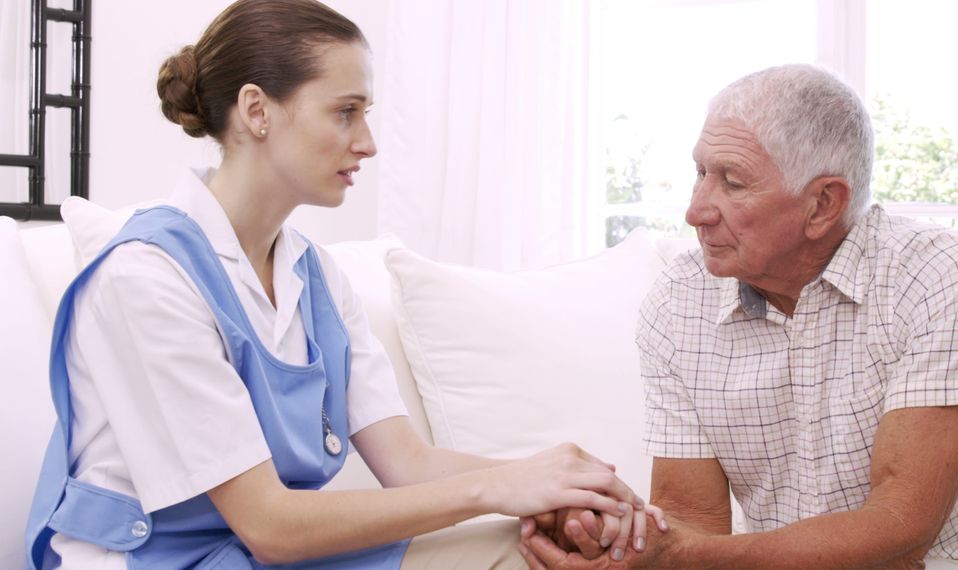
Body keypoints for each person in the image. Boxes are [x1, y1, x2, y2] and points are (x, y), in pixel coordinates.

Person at [23, 1, 662, 568]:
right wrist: (496, 489)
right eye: (346, 112)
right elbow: (270, 524)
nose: (369, 142)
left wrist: (558, 484)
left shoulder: (315, 277)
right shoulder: (146, 278)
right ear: (256, 111)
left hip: (257, 554)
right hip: (151, 558)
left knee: (520, 547)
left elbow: (408, 465)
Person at [519, 64, 958, 569]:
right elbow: (693, 519)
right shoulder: (678, 299)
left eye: (733, 183)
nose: (696, 210)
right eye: (700, 172)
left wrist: (676, 556)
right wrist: (615, 544)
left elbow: (901, 527)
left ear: (822, 205)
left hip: (955, 560)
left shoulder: (937, 272)